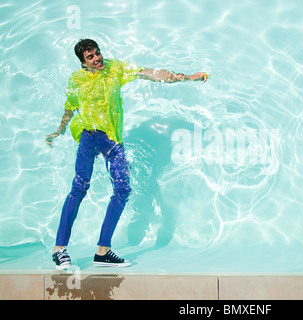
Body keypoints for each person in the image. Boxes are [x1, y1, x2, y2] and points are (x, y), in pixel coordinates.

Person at [46, 39, 207, 269]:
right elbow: (69, 109)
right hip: (88, 136)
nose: (97, 58)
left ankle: (103, 251)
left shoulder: (115, 69)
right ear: (83, 63)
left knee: (123, 189)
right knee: (80, 187)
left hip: (112, 139)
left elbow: (151, 73)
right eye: (90, 57)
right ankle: (59, 250)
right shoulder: (77, 80)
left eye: (98, 53)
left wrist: (187, 77)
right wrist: (58, 132)